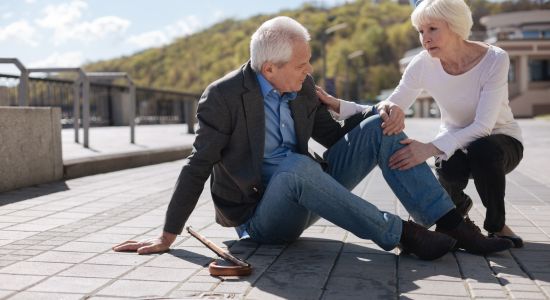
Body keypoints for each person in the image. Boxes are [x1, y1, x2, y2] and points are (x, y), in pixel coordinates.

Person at [113, 16, 513, 261]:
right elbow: (197, 166)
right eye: (302, 66)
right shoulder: (223, 98)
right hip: (261, 219)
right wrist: (168, 236)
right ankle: (403, 235)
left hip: (311, 188)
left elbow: (336, 138)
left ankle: (451, 224)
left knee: (379, 127)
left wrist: (379, 112)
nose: (308, 74)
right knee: (294, 165)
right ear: (269, 68)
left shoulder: (302, 85)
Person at [317, 0, 524, 248]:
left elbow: (483, 127)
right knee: (446, 161)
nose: (425, 38)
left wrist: (427, 148)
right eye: (421, 32)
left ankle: (496, 226)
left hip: (501, 142)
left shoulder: (494, 59)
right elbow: (389, 104)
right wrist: (339, 105)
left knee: (482, 148)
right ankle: (458, 213)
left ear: (455, 25)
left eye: (432, 29)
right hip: (456, 143)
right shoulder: (423, 63)